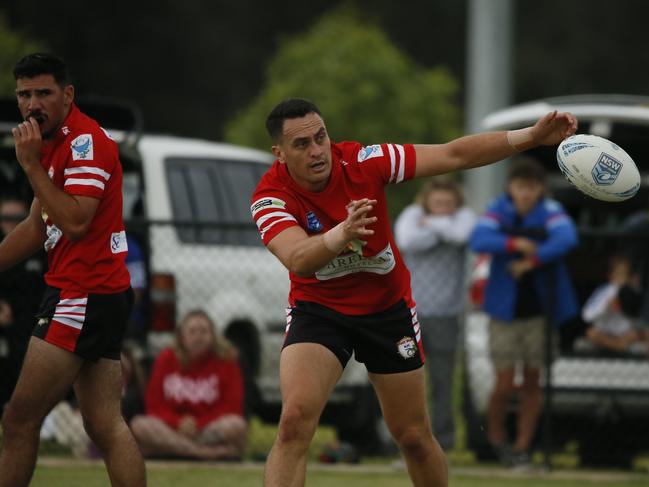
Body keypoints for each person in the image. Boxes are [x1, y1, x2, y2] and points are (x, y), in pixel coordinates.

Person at [250, 98, 577, 486]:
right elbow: (297, 258)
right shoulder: (270, 196)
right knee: (293, 423)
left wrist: (531, 137)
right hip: (319, 311)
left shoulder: (363, 160)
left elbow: (453, 155)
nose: (317, 150)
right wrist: (342, 233)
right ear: (280, 153)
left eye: (320, 137)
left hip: (386, 311)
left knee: (413, 437)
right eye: (302, 144)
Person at [0, 53, 146, 487]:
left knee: (18, 421)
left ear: (67, 95)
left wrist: (28, 166)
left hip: (82, 294)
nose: (32, 104)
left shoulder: (86, 142)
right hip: (95, 293)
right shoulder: (50, 144)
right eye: (24, 95)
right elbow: (34, 226)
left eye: (43, 93)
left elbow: (77, 222)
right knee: (104, 425)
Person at [469, 157, 579, 469]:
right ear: (510, 188)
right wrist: (515, 242)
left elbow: (568, 239)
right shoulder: (498, 209)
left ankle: (522, 447)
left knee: (532, 382)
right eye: (520, 187)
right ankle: (495, 439)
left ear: (540, 189)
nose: (526, 194)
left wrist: (533, 259)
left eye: (531, 188)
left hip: (540, 313)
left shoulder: (551, 212)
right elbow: (478, 240)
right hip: (503, 313)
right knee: (503, 385)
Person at [394, 177, 476, 451]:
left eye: (448, 204)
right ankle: (400, 439)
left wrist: (432, 226)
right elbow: (407, 239)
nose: (442, 208)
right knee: (402, 380)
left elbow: (462, 235)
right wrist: (443, 229)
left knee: (442, 381)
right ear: (427, 201)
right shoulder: (412, 214)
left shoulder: (463, 217)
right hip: (408, 315)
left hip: (446, 315)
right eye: (437, 203)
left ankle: (443, 442)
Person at [130, 309, 247, 460]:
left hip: (207, 429)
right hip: (172, 428)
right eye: (192, 332)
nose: (198, 337)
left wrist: (199, 424)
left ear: (213, 336)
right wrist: (178, 422)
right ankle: (201, 453)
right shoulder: (166, 358)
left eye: (204, 331)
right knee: (140, 425)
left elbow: (232, 407)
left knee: (236, 425)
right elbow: (154, 405)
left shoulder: (226, 360)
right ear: (182, 337)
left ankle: (175, 450)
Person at [0, 196, 45, 409]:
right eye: (7, 219)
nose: (12, 225)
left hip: (33, 327)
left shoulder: (41, 252)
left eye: (18, 220)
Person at [581, 254, 644, 354]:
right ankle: (620, 347)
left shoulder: (632, 291)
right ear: (611, 276)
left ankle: (619, 346)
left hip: (625, 333)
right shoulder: (603, 291)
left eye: (625, 274)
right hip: (605, 332)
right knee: (591, 333)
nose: (622, 278)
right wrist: (605, 307)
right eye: (619, 274)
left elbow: (638, 316)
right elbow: (586, 316)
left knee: (640, 334)